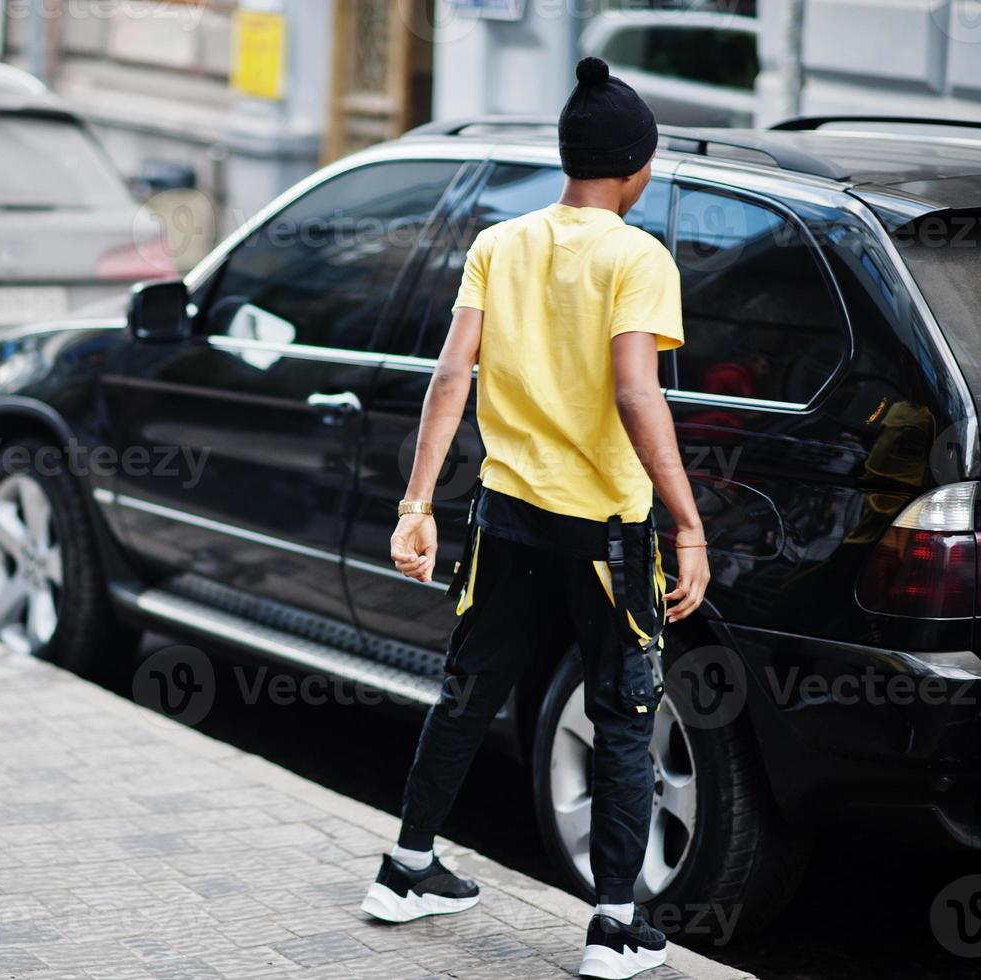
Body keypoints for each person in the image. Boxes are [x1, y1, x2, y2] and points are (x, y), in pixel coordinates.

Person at [358, 57, 710, 980]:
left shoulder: (499, 242)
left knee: (466, 692)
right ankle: (614, 928)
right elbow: (637, 394)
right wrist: (687, 523)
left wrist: (415, 504)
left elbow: (449, 376)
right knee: (624, 715)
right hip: (603, 528)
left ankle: (404, 871)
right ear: (635, 165)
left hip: (507, 513)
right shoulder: (638, 256)